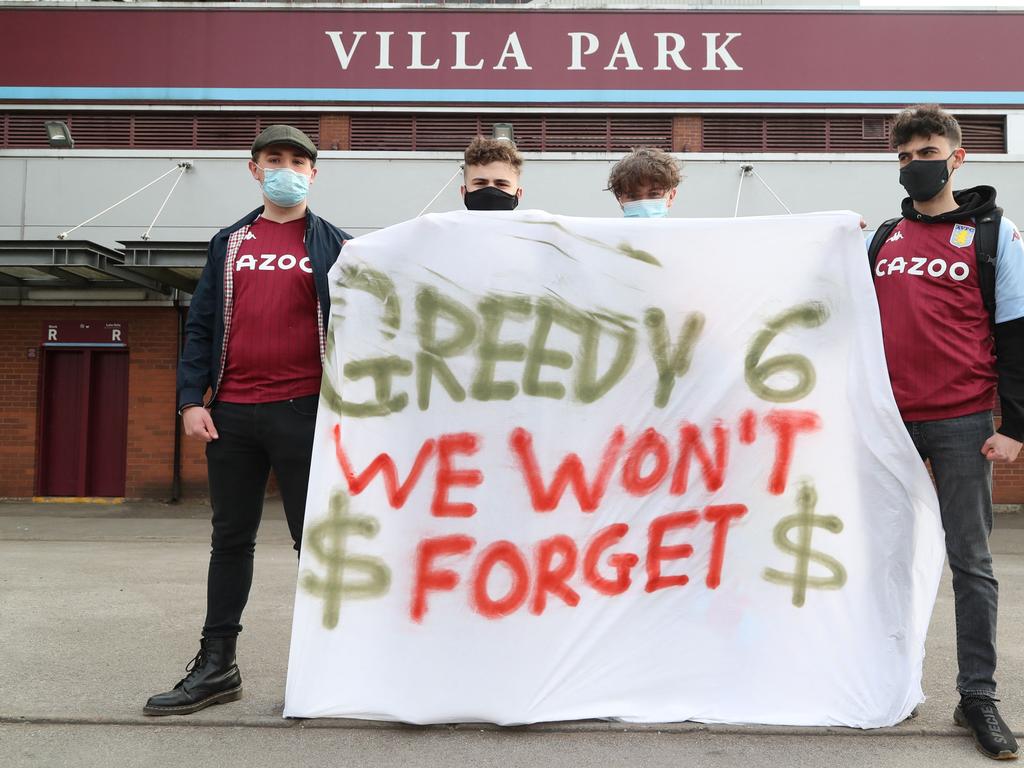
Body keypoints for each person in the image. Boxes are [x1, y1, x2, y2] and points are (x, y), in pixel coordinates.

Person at [144, 125, 350, 716]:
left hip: (305, 411)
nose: (287, 168)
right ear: (254, 169)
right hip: (232, 413)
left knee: (314, 544)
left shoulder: (337, 245)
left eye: (298, 161)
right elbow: (203, 324)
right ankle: (217, 667)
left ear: (314, 173)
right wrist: (190, 401)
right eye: (274, 159)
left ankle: (325, 670)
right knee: (229, 540)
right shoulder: (229, 243)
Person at [871, 104, 1024, 760]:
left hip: (962, 421)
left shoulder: (996, 234)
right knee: (877, 557)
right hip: (884, 423)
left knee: (972, 563)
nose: (915, 165)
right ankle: (875, 682)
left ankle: (978, 697)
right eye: (904, 157)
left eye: (926, 151)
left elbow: (1016, 332)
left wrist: (1015, 425)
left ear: (957, 158)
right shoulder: (881, 239)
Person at [606, 147, 681, 218]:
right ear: (620, 200)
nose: (644, 205)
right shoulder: (605, 232)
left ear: (671, 196)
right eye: (633, 196)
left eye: (654, 194)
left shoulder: (686, 231)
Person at [461, 136, 523, 211]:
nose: (491, 190)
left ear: (518, 194)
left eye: (501, 184)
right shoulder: (445, 222)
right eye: (480, 183)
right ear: (463, 192)